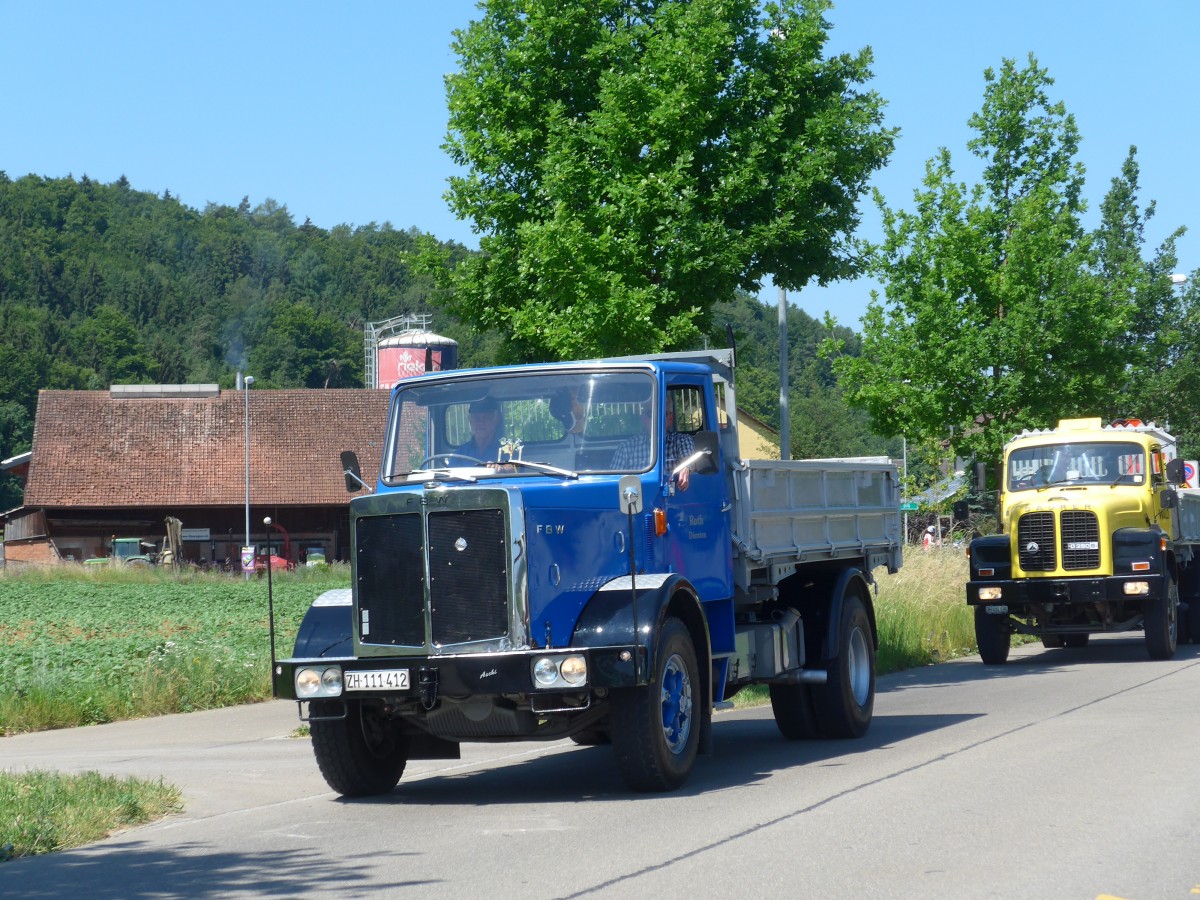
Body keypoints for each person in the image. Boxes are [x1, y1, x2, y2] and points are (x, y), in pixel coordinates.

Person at [611, 402, 694, 489]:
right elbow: (613, 481)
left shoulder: (682, 440)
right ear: (643, 418)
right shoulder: (626, 447)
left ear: (670, 418)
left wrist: (685, 467)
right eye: (651, 414)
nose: (657, 418)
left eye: (662, 414)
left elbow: (689, 458)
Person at [459, 397, 503, 461]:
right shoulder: (461, 452)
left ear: (496, 419)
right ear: (470, 420)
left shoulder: (508, 451)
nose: (481, 422)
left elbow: (519, 467)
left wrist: (504, 468)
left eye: (486, 417)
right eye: (476, 417)